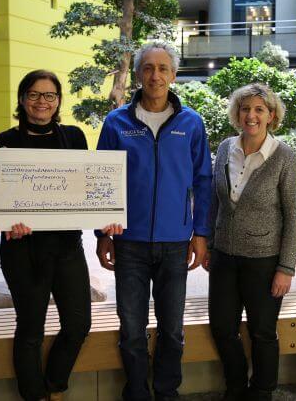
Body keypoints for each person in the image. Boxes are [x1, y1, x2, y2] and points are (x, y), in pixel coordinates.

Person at [0, 70, 123, 400]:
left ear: (58, 101)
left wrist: (107, 216)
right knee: (30, 329)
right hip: (22, 250)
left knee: (78, 325)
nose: (42, 102)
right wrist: (7, 221)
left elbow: (87, 188)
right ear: (22, 99)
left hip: (66, 247)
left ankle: (55, 385)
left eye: (49, 95)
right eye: (34, 94)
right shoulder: (4, 142)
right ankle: (34, 395)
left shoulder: (74, 137)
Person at [95, 41, 212, 401]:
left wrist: (200, 233)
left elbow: (203, 180)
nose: (155, 75)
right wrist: (102, 234)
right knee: (132, 328)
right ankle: (136, 391)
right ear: (137, 74)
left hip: (175, 242)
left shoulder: (191, 123)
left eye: (163, 68)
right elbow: (101, 180)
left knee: (172, 329)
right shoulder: (116, 122)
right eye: (148, 68)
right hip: (129, 243)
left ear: (173, 75)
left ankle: (167, 391)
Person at [205, 83, 296, 401]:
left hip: (264, 261)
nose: (251, 115)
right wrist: (208, 243)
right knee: (222, 327)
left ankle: (262, 391)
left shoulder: (284, 157)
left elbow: (295, 216)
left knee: (262, 332)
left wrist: (286, 268)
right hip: (224, 257)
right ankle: (236, 387)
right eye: (245, 108)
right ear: (237, 113)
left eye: (259, 109)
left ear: (271, 116)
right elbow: (215, 201)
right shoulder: (225, 149)